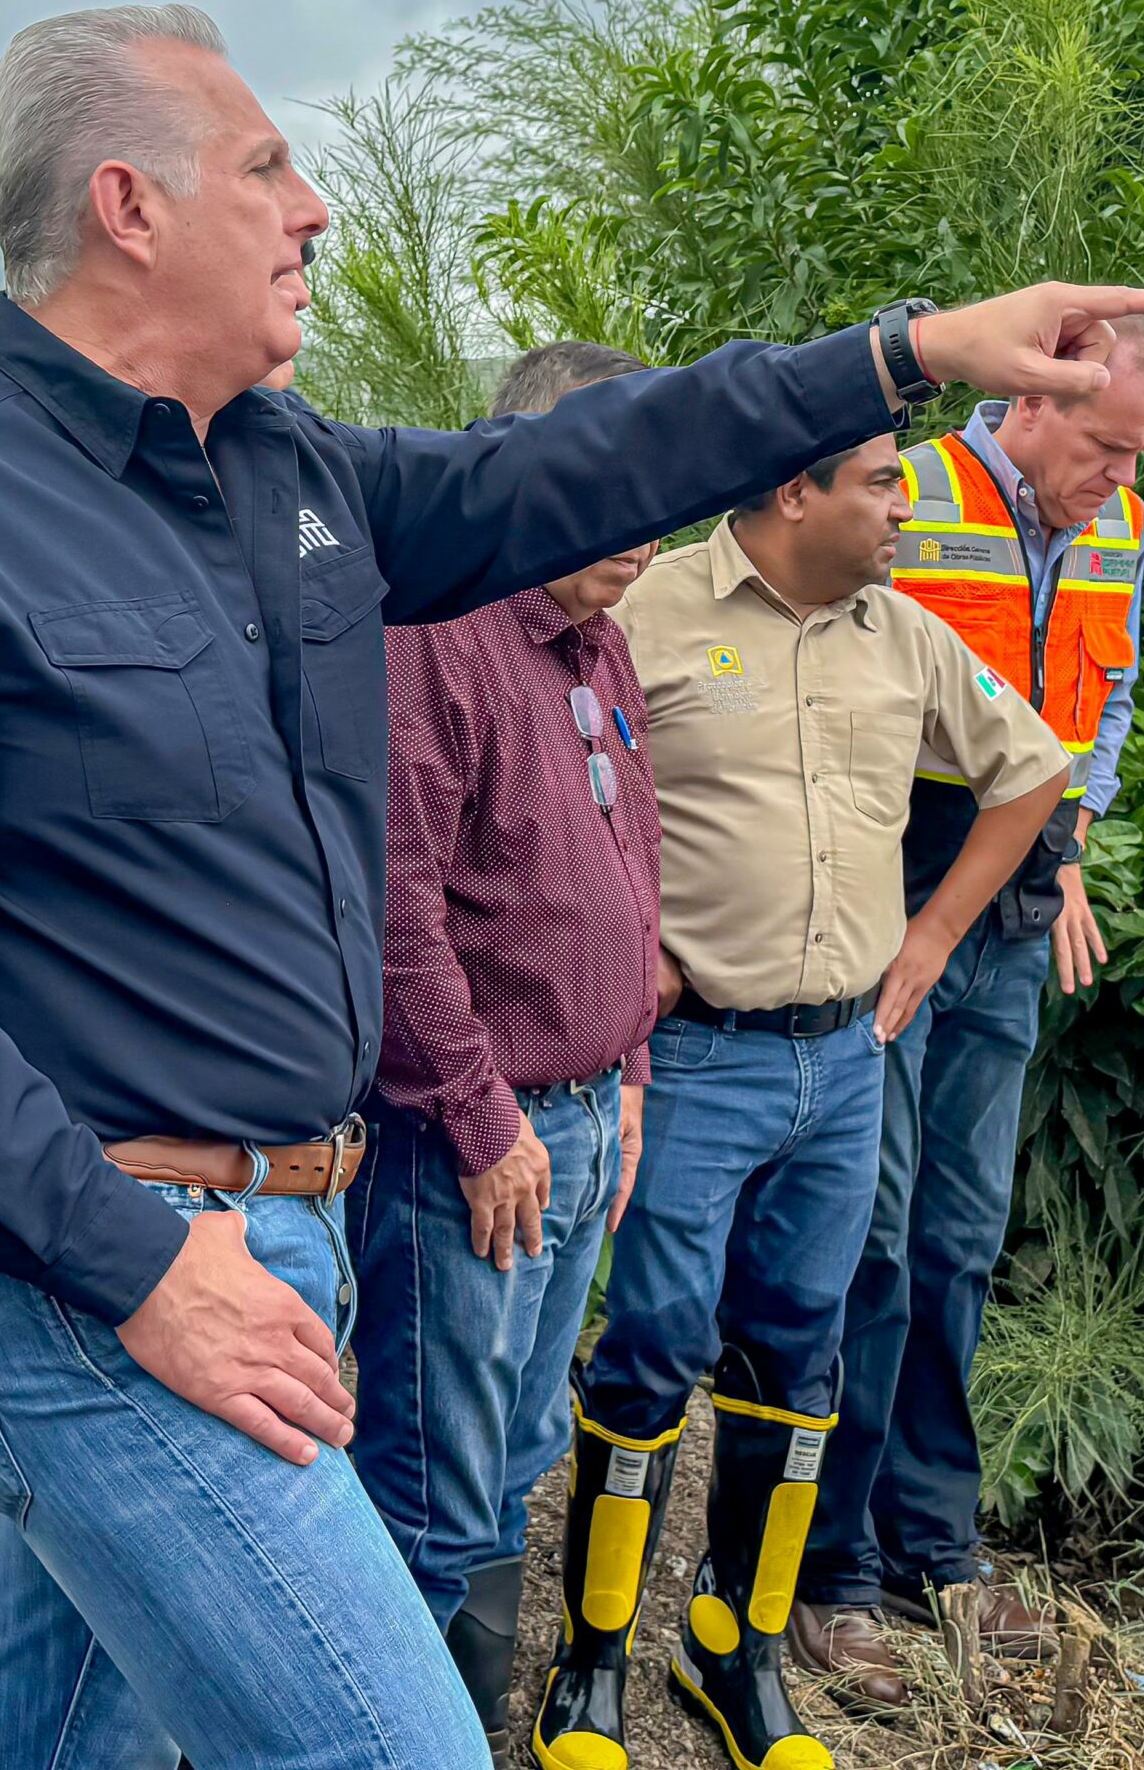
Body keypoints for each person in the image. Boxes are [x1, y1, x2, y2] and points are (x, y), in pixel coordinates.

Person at [0, 0, 1144, 1770]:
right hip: (94, 1270)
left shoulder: (292, 477)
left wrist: (907, 349)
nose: (315, 204)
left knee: (49, 1739)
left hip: (287, 1237)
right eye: (267, 165)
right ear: (129, 207)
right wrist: (142, 1272)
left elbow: (582, 463)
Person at [532, 434, 1072, 1770]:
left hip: (843, 1066)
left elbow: (1034, 768)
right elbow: (552, 791)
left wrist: (936, 938)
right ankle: (590, 1668)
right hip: (699, 1056)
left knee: (799, 1357)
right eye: (885, 485)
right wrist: (626, 937)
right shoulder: (649, 615)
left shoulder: (904, 636)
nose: (905, 507)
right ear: (793, 493)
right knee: (652, 1350)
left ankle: (735, 1653)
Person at [795, 321, 1144, 1695]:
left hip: (1011, 914)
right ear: (1028, 400)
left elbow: (1107, 693)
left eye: (1138, 451)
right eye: (1103, 444)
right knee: (872, 1240)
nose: (1119, 476)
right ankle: (827, 1575)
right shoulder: (917, 498)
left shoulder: (1119, 520)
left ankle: (935, 1547)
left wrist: (1065, 840)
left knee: (959, 1239)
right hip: (888, 903)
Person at [348, 339, 663, 1742]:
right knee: (432, 1479)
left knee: (518, 1452)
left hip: (587, 1115)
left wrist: (636, 1070)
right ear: (519, 472)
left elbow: (632, 861)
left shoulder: (599, 640)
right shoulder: (432, 639)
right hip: (472, 1135)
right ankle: (399, 1727)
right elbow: (398, 914)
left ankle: (454, 1726)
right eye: (617, 490)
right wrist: (484, 1124)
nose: (648, 531)